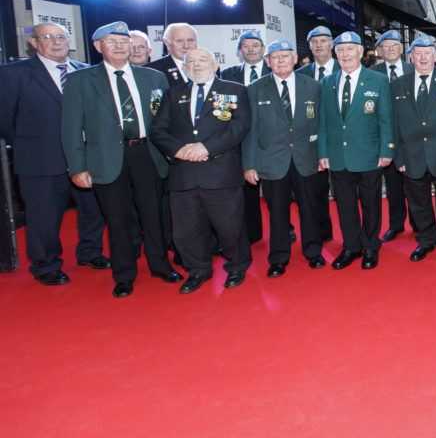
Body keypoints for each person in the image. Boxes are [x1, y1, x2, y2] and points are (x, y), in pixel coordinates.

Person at [61, 21, 180, 298]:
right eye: (111, 41)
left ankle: (160, 265)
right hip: (105, 158)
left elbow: (166, 122)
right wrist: (77, 167)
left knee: (155, 215)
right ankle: (124, 274)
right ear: (97, 46)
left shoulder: (153, 78)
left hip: (147, 155)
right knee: (118, 219)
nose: (119, 46)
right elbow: (70, 128)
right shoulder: (81, 80)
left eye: (123, 41)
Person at [0, 23, 108, 286]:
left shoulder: (86, 72)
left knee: (93, 209)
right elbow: (5, 119)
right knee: (44, 216)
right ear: (34, 43)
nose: (56, 41)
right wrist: (32, 144)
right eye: (47, 37)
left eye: (61, 36)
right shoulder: (13, 74)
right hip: (40, 159)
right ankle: (46, 264)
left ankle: (90, 252)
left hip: (86, 157)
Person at [150, 47, 253, 294]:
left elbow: (240, 127)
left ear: (215, 63)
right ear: (184, 68)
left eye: (202, 60)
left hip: (221, 171)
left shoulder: (234, 90)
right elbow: (158, 130)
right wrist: (180, 150)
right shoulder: (173, 94)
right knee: (186, 231)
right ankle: (198, 269)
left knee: (230, 227)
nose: (197, 65)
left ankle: (237, 265)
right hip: (184, 173)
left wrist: (206, 148)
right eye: (191, 61)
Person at [242, 40, 325, 277]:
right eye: (275, 57)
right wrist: (249, 164)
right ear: (267, 62)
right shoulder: (255, 88)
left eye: (285, 56)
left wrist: (322, 154)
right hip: (271, 160)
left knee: (309, 208)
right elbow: (251, 131)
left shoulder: (312, 85)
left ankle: (313, 251)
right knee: (277, 212)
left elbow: (321, 123)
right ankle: (278, 257)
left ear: (295, 58)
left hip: (306, 158)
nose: (280, 61)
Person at [318, 31, 394, 270]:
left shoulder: (378, 80)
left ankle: (371, 245)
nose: (345, 54)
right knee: (345, 204)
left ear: (361, 53)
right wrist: (323, 153)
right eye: (340, 50)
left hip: (369, 154)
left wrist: (387, 150)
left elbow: (386, 120)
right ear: (335, 54)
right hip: (339, 157)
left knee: (371, 203)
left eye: (350, 49)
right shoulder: (327, 82)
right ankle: (351, 246)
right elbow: (323, 122)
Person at [391, 35, 436, 262]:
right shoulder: (398, 84)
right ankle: (426, 239)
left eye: (427, 53)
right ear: (410, 57)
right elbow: (394, 124)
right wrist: (398, 157)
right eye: (418, 53)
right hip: (412, 156)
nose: (423, 57)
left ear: (435, 56)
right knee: (418, 202)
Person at [219, 29, 270, 244]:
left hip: (272, 139)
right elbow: (222, 108)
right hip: (240, 140)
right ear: (240, 51)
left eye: (255, 45)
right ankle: (252, 231)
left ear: (263, 48)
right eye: (245, 46)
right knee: (248, 189)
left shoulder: (276, 68)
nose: (250, 49)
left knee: (278, 189)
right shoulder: (228, 74)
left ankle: (286, 227)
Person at [369, 29, 412, 242]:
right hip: (386, 136)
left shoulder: (414, 69)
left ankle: (418, 223)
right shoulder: (372, 73)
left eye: (395, 45)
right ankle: (396, 224)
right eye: (386, 46)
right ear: (379, 50)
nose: (391, 49)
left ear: (401, 48)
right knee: (393, 184)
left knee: (415, 184)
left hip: (412, 137)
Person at [296, 25, 338, 242]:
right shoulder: (300, 74)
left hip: (342, 138)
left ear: (332, 44)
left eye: (324, 40)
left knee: (345, 190)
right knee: (317, 190)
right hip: (312, 141)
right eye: (315, 41)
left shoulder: (346, 67)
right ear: (309, 46)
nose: (319, 45)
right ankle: (323, 233)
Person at [147, 22, 197, 87]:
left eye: (190, 40)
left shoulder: (211, 67)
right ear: (167, 43)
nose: (186, 46)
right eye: (179, 41)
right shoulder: (151, 71)